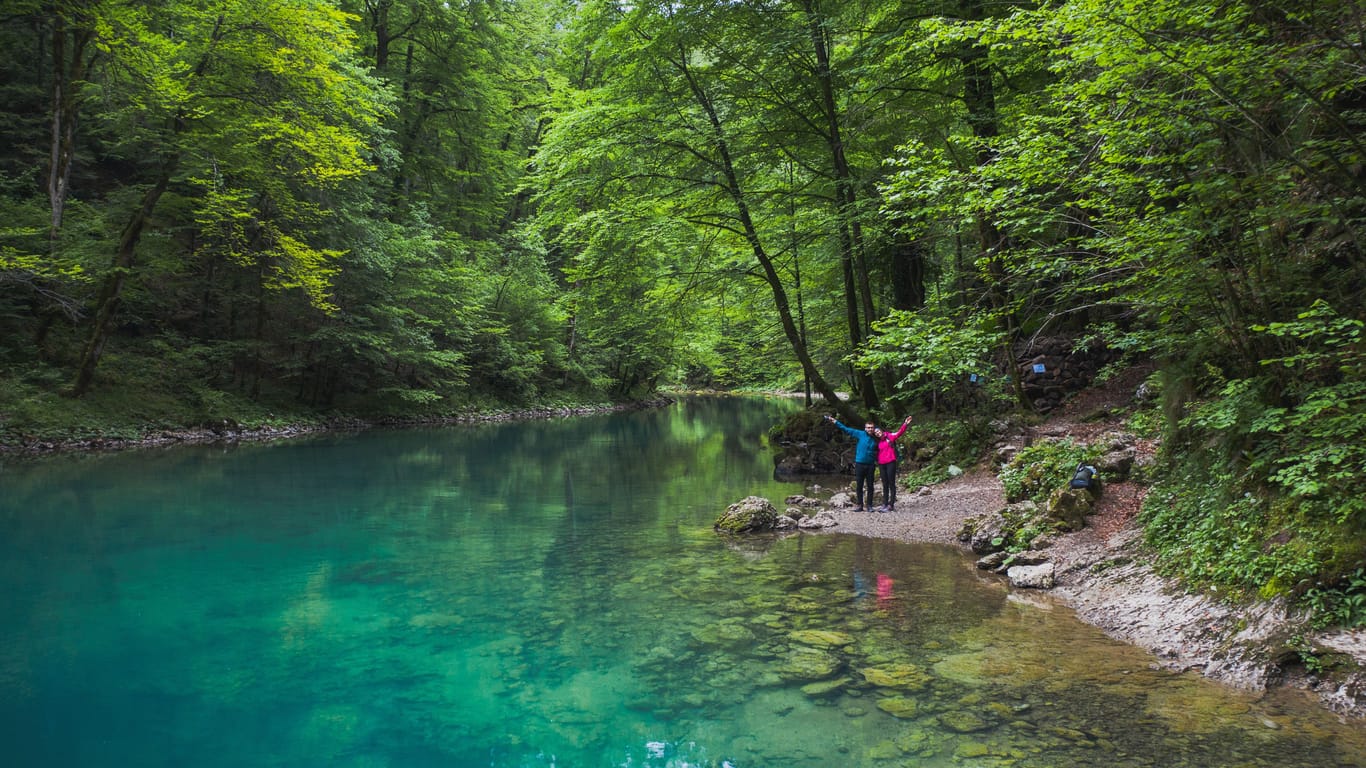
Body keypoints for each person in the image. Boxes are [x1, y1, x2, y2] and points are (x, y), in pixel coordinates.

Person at [824, 414, 879, 512]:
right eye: (868, 428)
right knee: (859, 485)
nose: (870, 429)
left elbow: (887, 439)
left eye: (871, 428)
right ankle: (860, 505)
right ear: (865, 428)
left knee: (870, 486)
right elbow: (846, 429)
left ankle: (869, 505)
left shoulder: (876, 437)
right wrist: (835, 421)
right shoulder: (860, 434)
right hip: (859, 464)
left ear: (874, 428)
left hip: (871, 465)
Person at [873, 415, 913, 512]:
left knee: (891, 483)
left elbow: (899, 433)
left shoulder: (889, 436)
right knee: (884, 483)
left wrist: (905, 424)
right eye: (876, 433)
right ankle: (885, 503)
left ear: (881, 430)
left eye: (878, 431)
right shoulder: (877, 442)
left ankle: (891, 505)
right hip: (882, 464)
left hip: (891, 462)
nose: (877, 433)